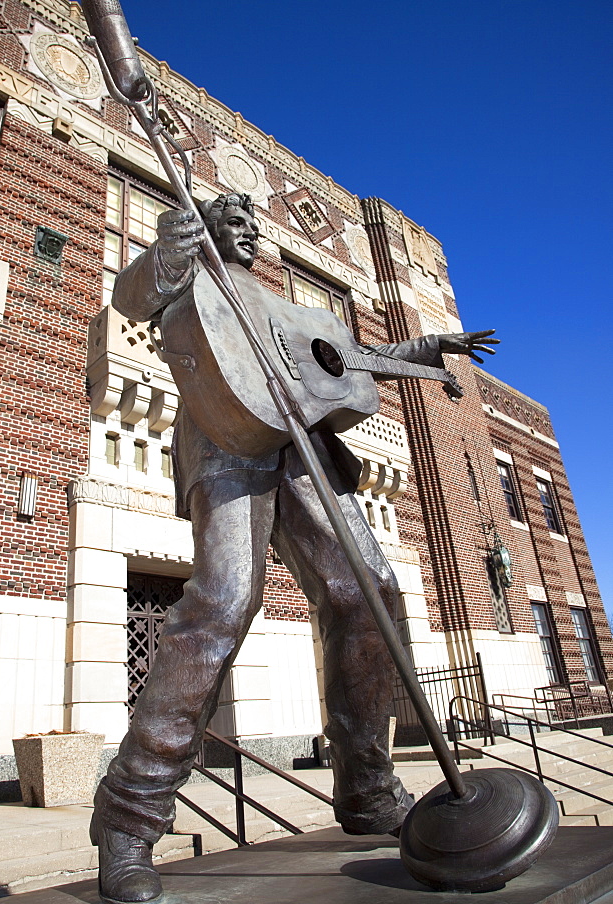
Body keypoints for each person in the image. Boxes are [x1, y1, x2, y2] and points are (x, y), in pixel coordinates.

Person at [90, 193, 498, 904]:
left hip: (307, 449)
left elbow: (350, 355)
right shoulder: (191, 270)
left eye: (253, 226)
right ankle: (129, 819)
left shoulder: (283, 305)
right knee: (223, 601)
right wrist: (170, 249)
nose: (247, 233)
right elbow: (132, 296)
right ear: (210, 227)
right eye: (234, 223)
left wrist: (426, 352)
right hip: (227, 437)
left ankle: (367, 790)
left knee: (368, 594)